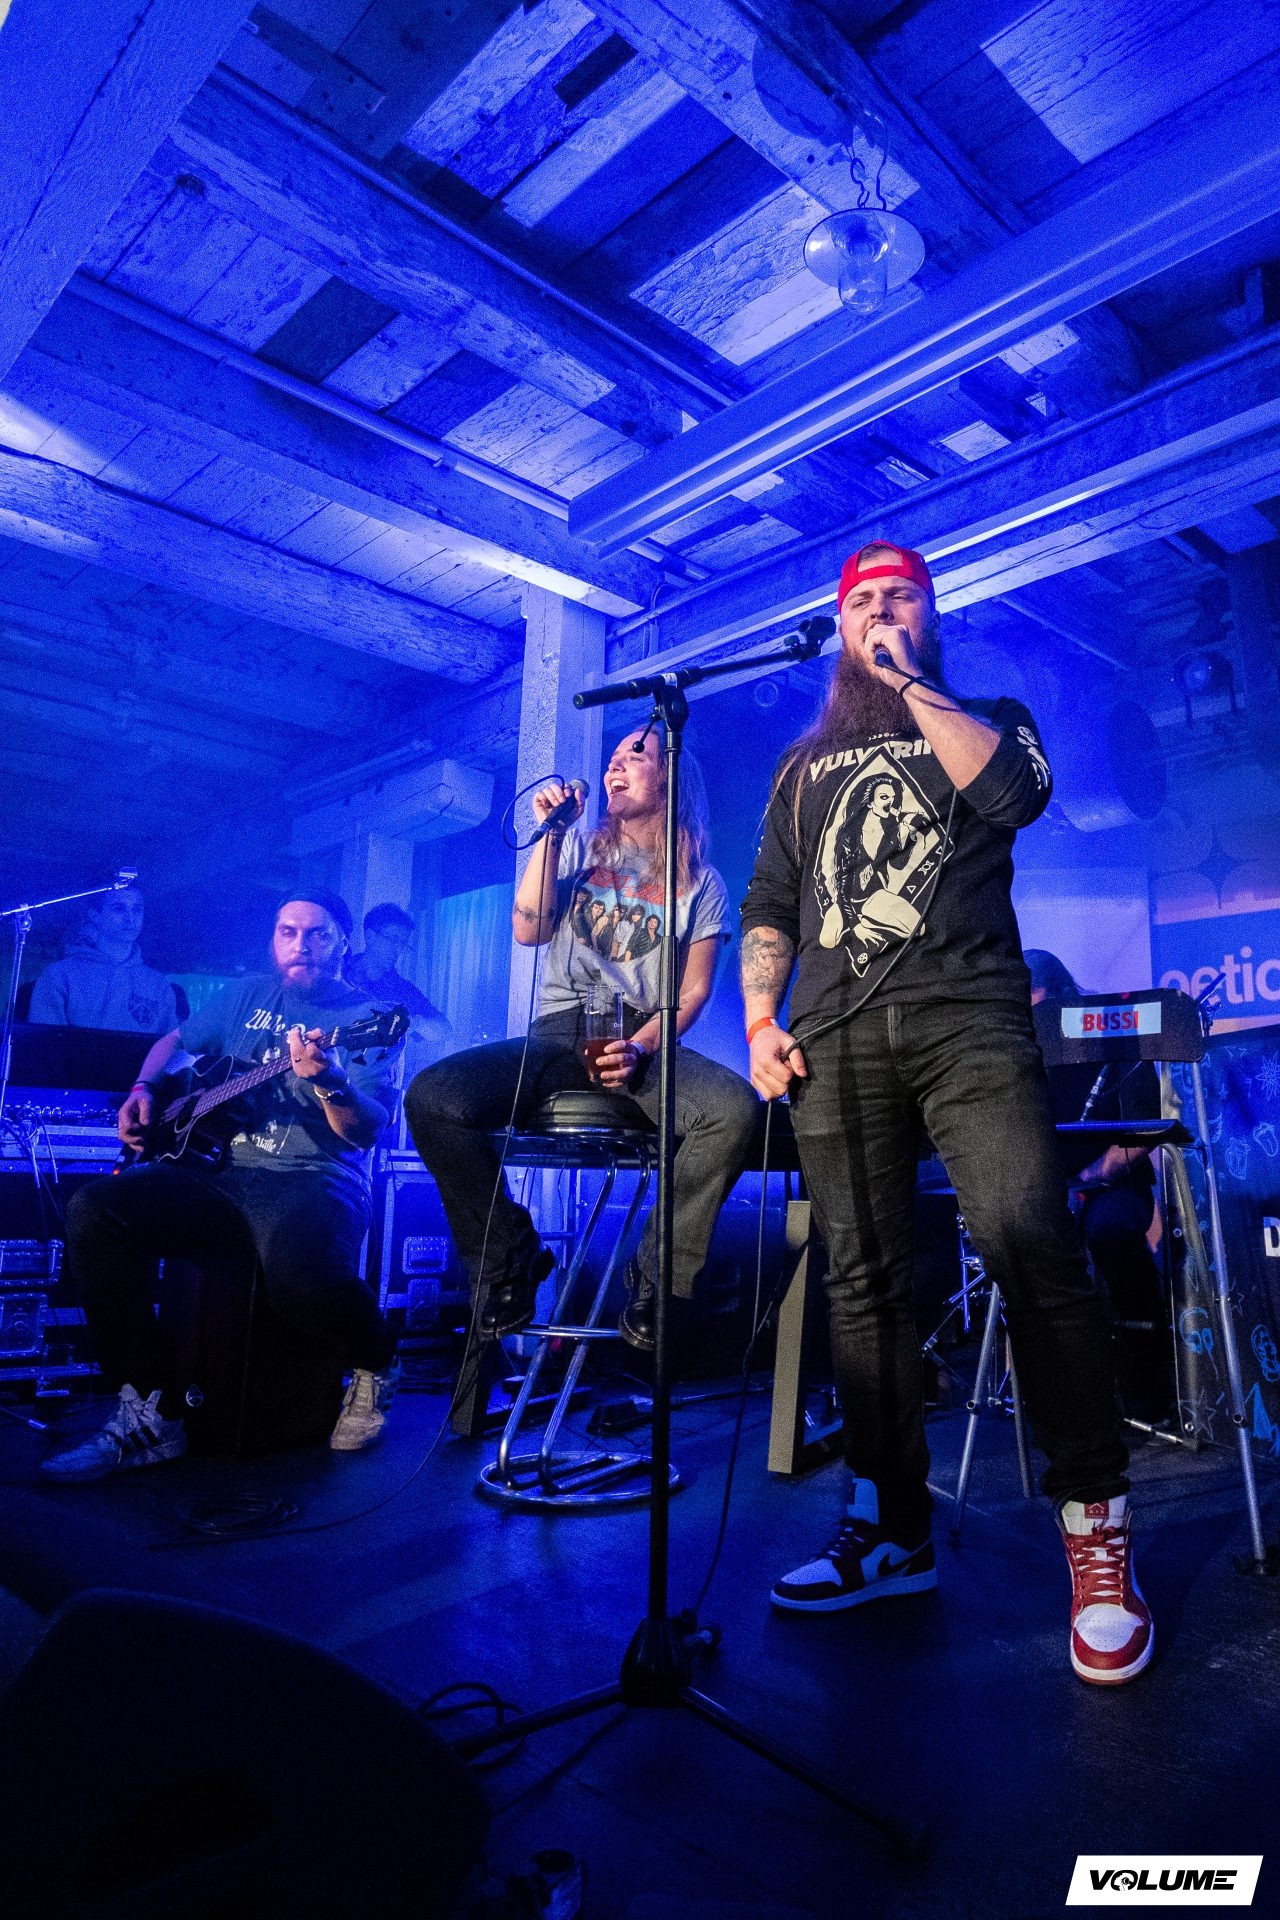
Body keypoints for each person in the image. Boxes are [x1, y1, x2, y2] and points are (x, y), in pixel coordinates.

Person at [740, 540, 1152, 1687]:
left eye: (899, 599)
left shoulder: (990, 719)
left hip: (967, 1020)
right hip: (830, 1038)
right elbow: (770, 900)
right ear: (836, 626)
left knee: (1028, 1243)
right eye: (861, 604)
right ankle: (890, 1529)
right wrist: (760, 1019)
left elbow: (1013, 797)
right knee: (861, 1283)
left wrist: (910, 681)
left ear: (928, 616)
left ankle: (1094, 1534)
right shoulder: (797, 767)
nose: (878, 613)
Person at [405, 730, 759, 1351]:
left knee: (733, 1109)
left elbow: (694, 991)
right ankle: (510, 1258)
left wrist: (641, 1047)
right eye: (612, 758)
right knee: (432, 1098)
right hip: (559, 1032)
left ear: (671, 778)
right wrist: (551, 835)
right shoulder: (576, 849)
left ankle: (658, 1281)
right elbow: (530, 929)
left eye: (635, 757)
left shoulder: (701, 883)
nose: (615, 766)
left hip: (640, 1034)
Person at [40, 892, 404, 1483]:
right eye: (287, 931)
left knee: (297, 1277)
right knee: (97, 1210)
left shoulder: (369, 1016)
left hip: (315, 1177)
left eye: (317, 934)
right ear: (273, 939)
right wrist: (143, 1090)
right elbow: (174, 1043)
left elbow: (363, 1132)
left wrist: (332, 1083)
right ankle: (152, 1411)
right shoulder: (243, 996)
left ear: (343, 942)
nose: (301, 945)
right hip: (218, 1171)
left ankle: (377, 1358)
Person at [1026, 949, 1176, 1426]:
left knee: (1111, 1234)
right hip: (1050, 1183)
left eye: (1034, 1001)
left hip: (1112, 1181)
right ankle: (1059, 1393)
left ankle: (1149, 1387)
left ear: (1061, 995)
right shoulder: (1017, 1048)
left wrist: (1091, 1175)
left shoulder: (1113, 1033)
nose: (1029, 1014)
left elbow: (1145, 1130)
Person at [29, 882, 178, 1034]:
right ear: (95, 916)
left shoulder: (158, 985)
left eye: (137, 909)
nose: (130, 918)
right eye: (119, 908)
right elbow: (46, 1042)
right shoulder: (60, 975)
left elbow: (172, 1046)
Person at [346, 902, 452, 1072]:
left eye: (403, 944)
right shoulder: (340, 973)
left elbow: (444, 1029)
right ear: (370, 936)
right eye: (393, 940)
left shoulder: (402, 990)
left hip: (375, 1078)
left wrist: (414, 1023)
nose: (398, 950)